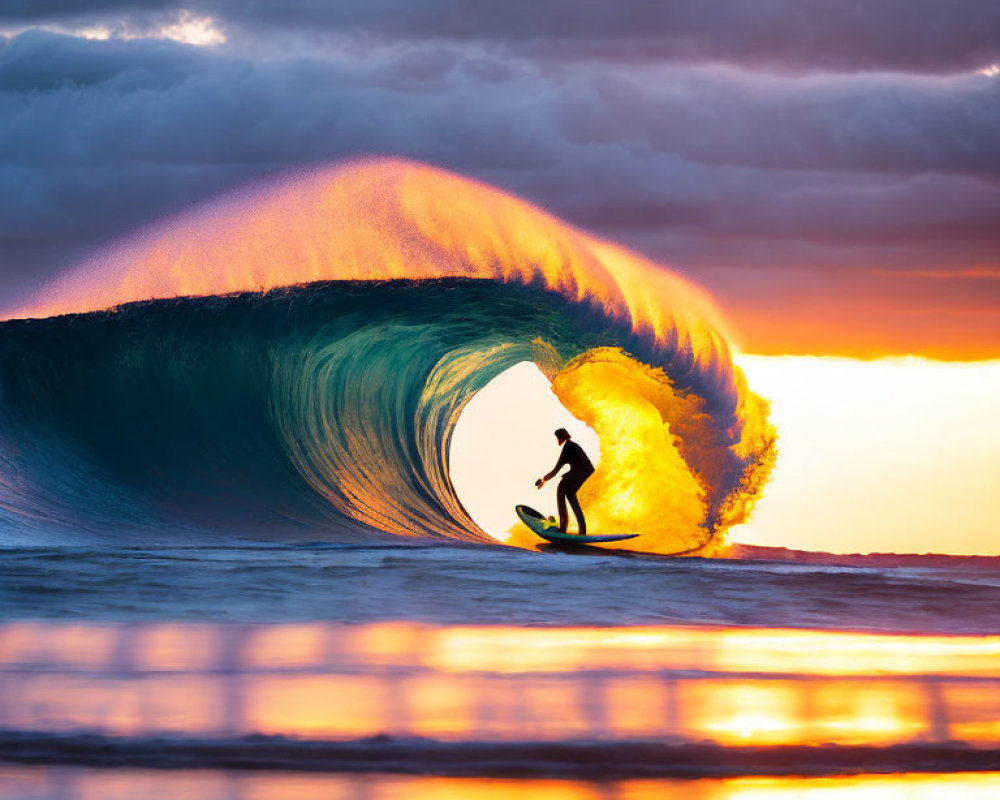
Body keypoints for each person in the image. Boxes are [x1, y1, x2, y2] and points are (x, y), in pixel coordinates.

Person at [535, 428, 595, 535]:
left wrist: (543, 479)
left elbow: (556, 469)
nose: (557, 440)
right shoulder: (573, 445)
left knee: (561, 488)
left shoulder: (568, 447)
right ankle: (582, 530)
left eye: (558, 437)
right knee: (571, 495)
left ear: (561, 437)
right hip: (586, 472)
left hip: (580, 472)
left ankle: (563, 528)